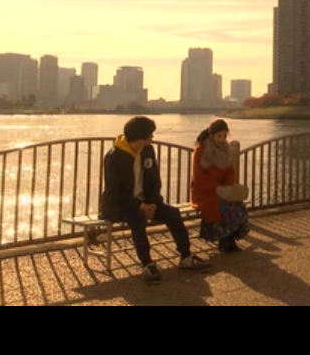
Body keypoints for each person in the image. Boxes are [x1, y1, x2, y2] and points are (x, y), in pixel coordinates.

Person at [101, 116, 210, 284]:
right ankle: (147, 264)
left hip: (147, 201)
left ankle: (186, 256)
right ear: (141, 136)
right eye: (150, 135)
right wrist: (139, 205)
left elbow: (154, 180)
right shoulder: (114, 156)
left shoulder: (147, 151)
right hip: (120, 205)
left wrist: (153, 202)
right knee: (137, 219)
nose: (152, 138)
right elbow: (115, 192)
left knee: (173, 213)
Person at [190, 119, 250, 253]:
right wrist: (216, 187)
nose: (222, 139)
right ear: (212, 135)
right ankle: (224, 240)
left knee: (237, 204)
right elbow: (199, 176)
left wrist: (228, 185)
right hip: (205, 190)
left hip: (222, 188)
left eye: (224, 136)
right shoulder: (202, 150)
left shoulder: (226, 149)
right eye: (219, 136)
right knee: (223, 206)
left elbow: (230, 170)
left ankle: (230, 239)